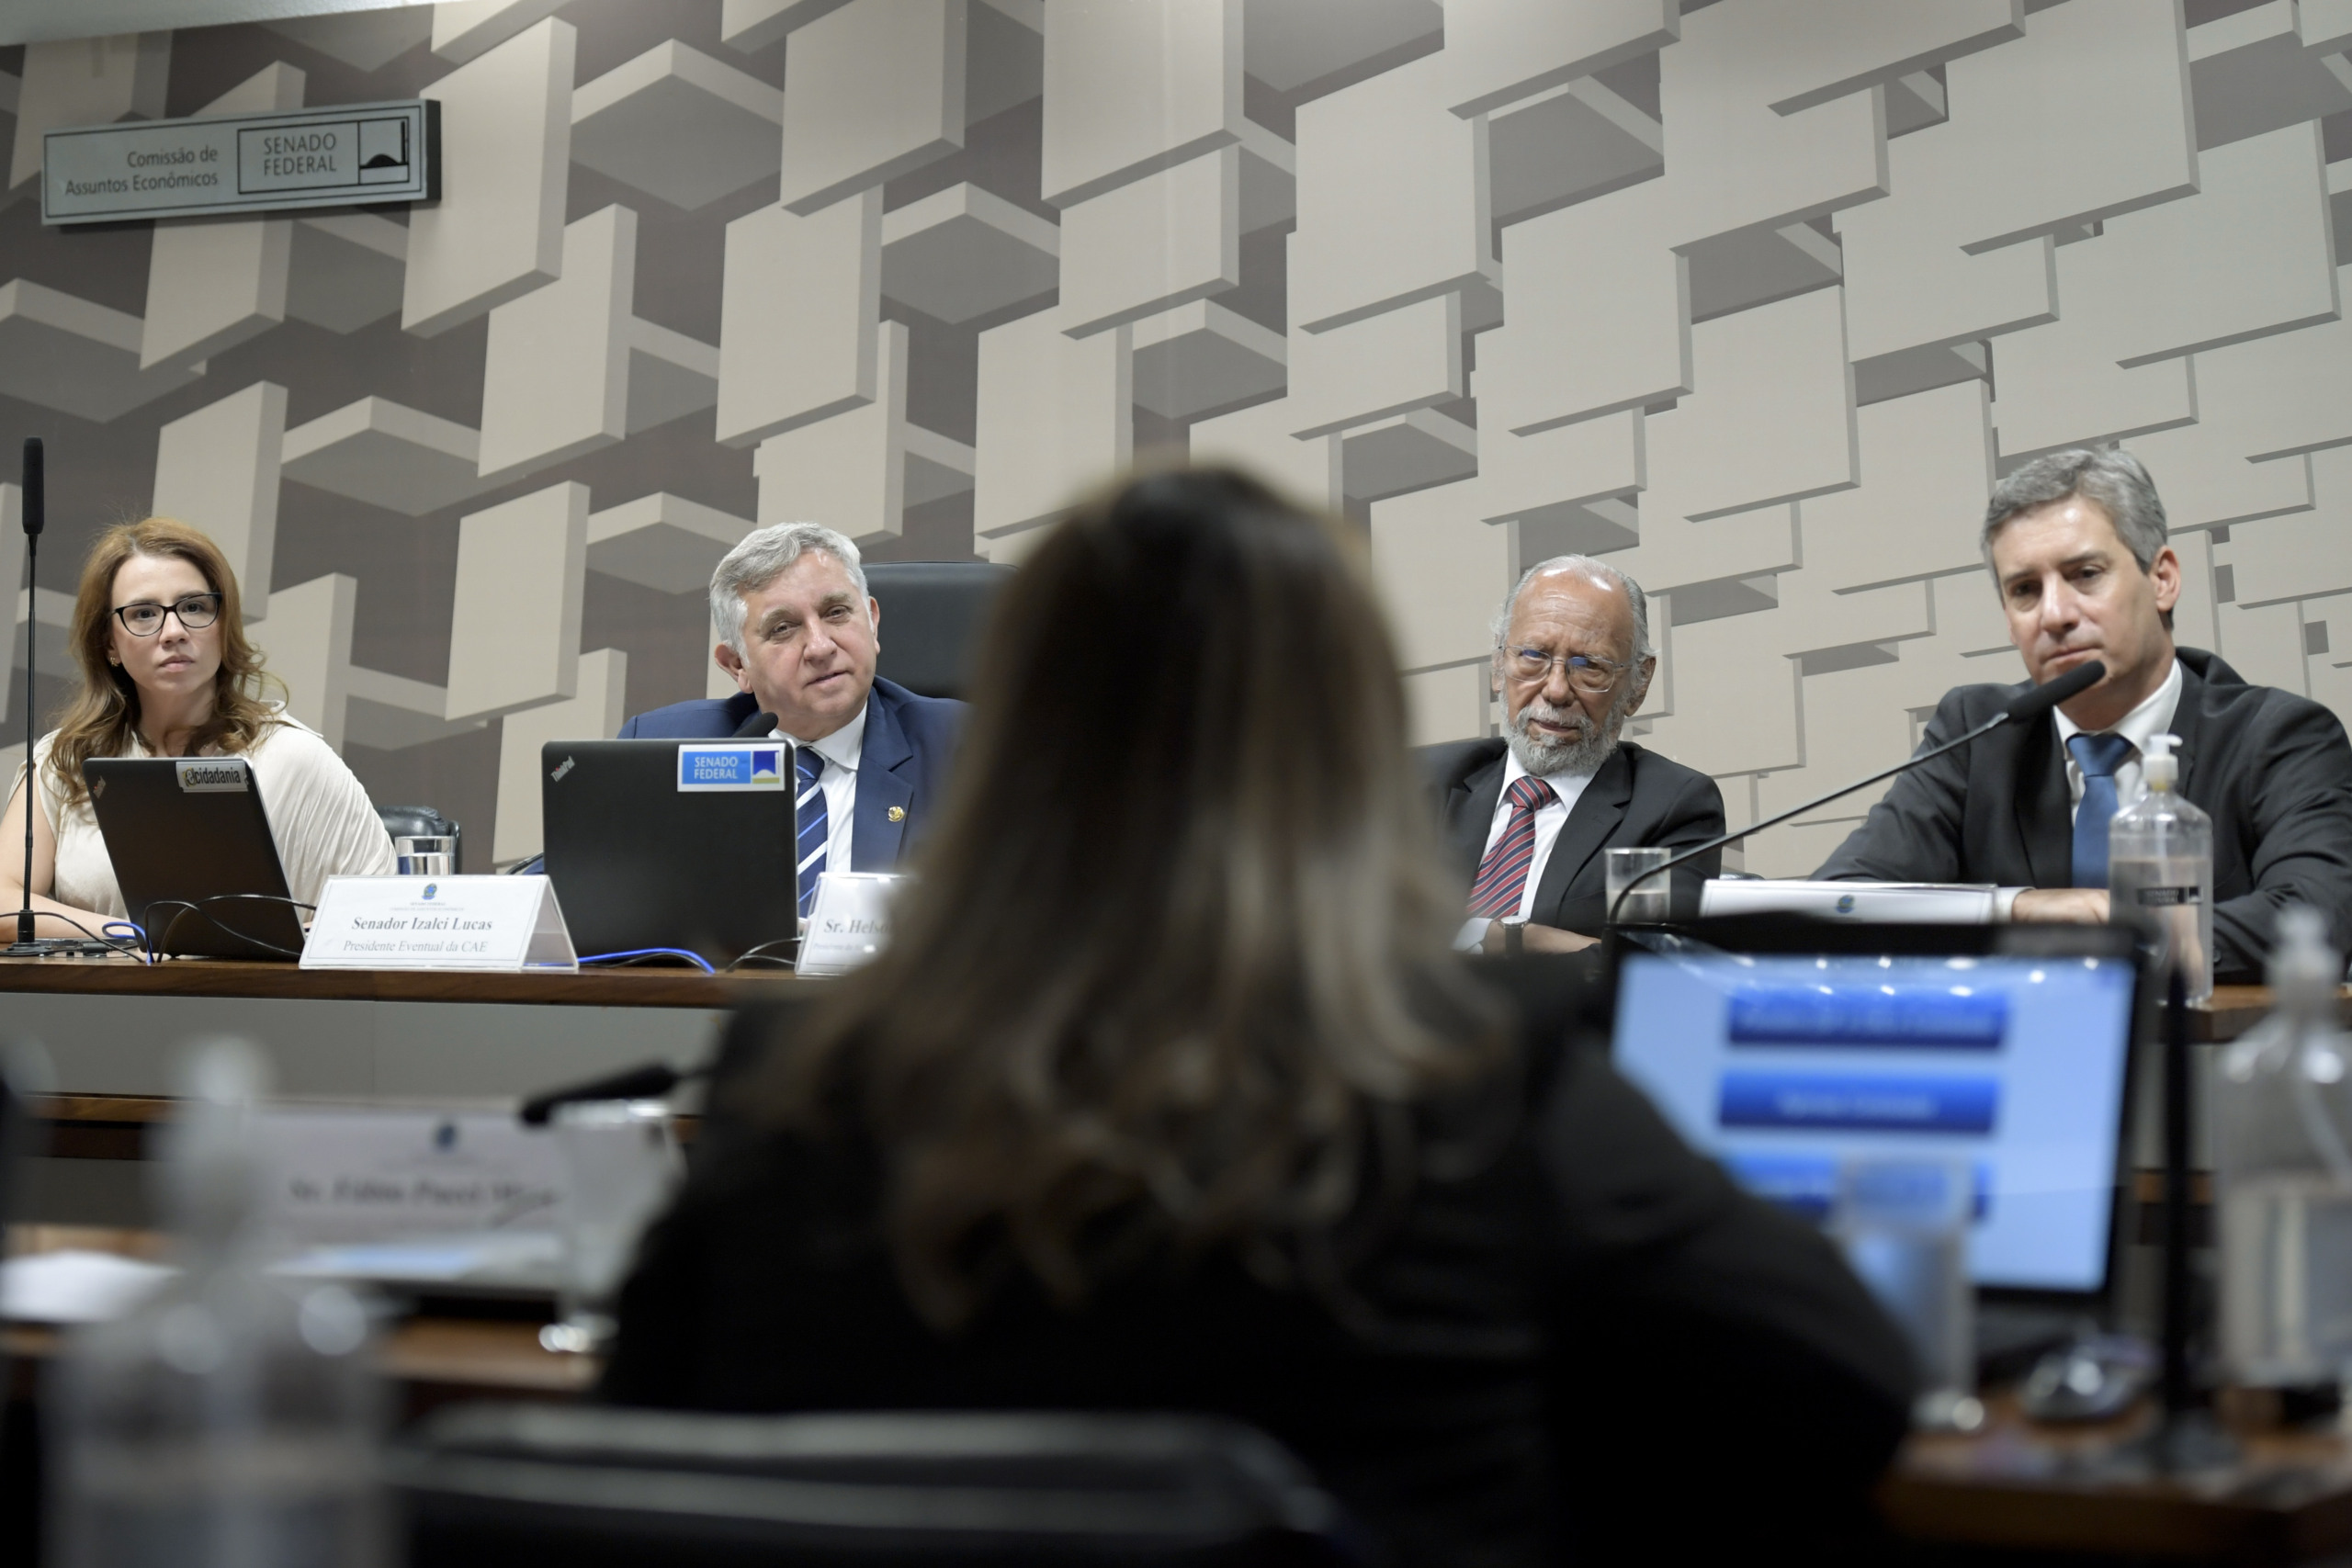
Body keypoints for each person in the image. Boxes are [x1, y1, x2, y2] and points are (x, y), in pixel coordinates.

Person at [602, 468, 1914, 1564]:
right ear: (1343, 738)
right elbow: (1849, 1390)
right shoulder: (1476, 1069)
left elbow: (641, 1441)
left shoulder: (796, 1077)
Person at [1818, 446, 2352, 980]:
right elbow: (1838, 903)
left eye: (2086, 574)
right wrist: (2017, 908)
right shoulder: (1976, 734)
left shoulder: (2278, 735)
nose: (2054, 615)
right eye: (2025, 590)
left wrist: (2118, 935)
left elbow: (2318, 919)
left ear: (2162, 578)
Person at [0, 517, 394, 943]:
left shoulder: (294, 757)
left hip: (262, 1005)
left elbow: (384, 918)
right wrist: (140, 935)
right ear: (109, 643)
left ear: (224, 626)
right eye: (144, 614)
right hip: (99, 1003)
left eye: (194, 607)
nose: (174, 632)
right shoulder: (66, 760)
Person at [614, 524, 962, 896]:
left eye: (836, 612)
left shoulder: (969, 747)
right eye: (782, 628)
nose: (820, 647)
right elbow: (566, 876)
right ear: (737, 665)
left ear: (872, 623)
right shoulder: (665, 748)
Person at [1425, 556, 1725, 953]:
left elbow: (1650, 962)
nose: (1556, 690)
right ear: (1499, 665)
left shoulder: (1670, 808)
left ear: (1638, 683)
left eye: (1589, 666)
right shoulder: (1417, 782)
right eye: (1533, 655)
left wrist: (1512, 938)